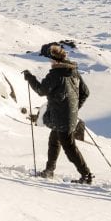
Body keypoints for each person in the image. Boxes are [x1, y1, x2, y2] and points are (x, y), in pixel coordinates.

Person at [23, 44, 93, 184]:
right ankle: (49, 170)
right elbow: (85, 92)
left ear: (55, 60)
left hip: (61, 117)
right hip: (65, 116)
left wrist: (30, 77)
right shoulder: (74, 72)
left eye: (50, 59)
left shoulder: (55, 74)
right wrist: (74, 108)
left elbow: (41, 90)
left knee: (69, 146)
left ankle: (86, 175)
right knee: (54, 141)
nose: (50, 62)